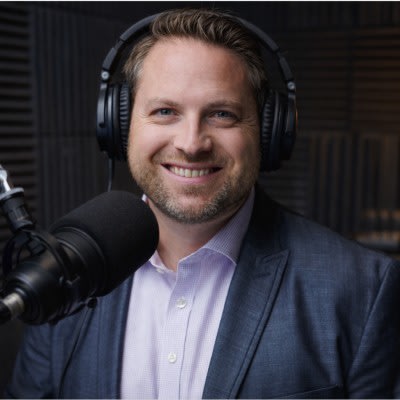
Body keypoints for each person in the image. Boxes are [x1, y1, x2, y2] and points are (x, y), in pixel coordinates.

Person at [5, 8, 400, 399]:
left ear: (268, 131)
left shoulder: (362, 290)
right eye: (165, 111)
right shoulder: (64, 274)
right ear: (120, 124)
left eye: (222, 114)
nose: (191, 144)